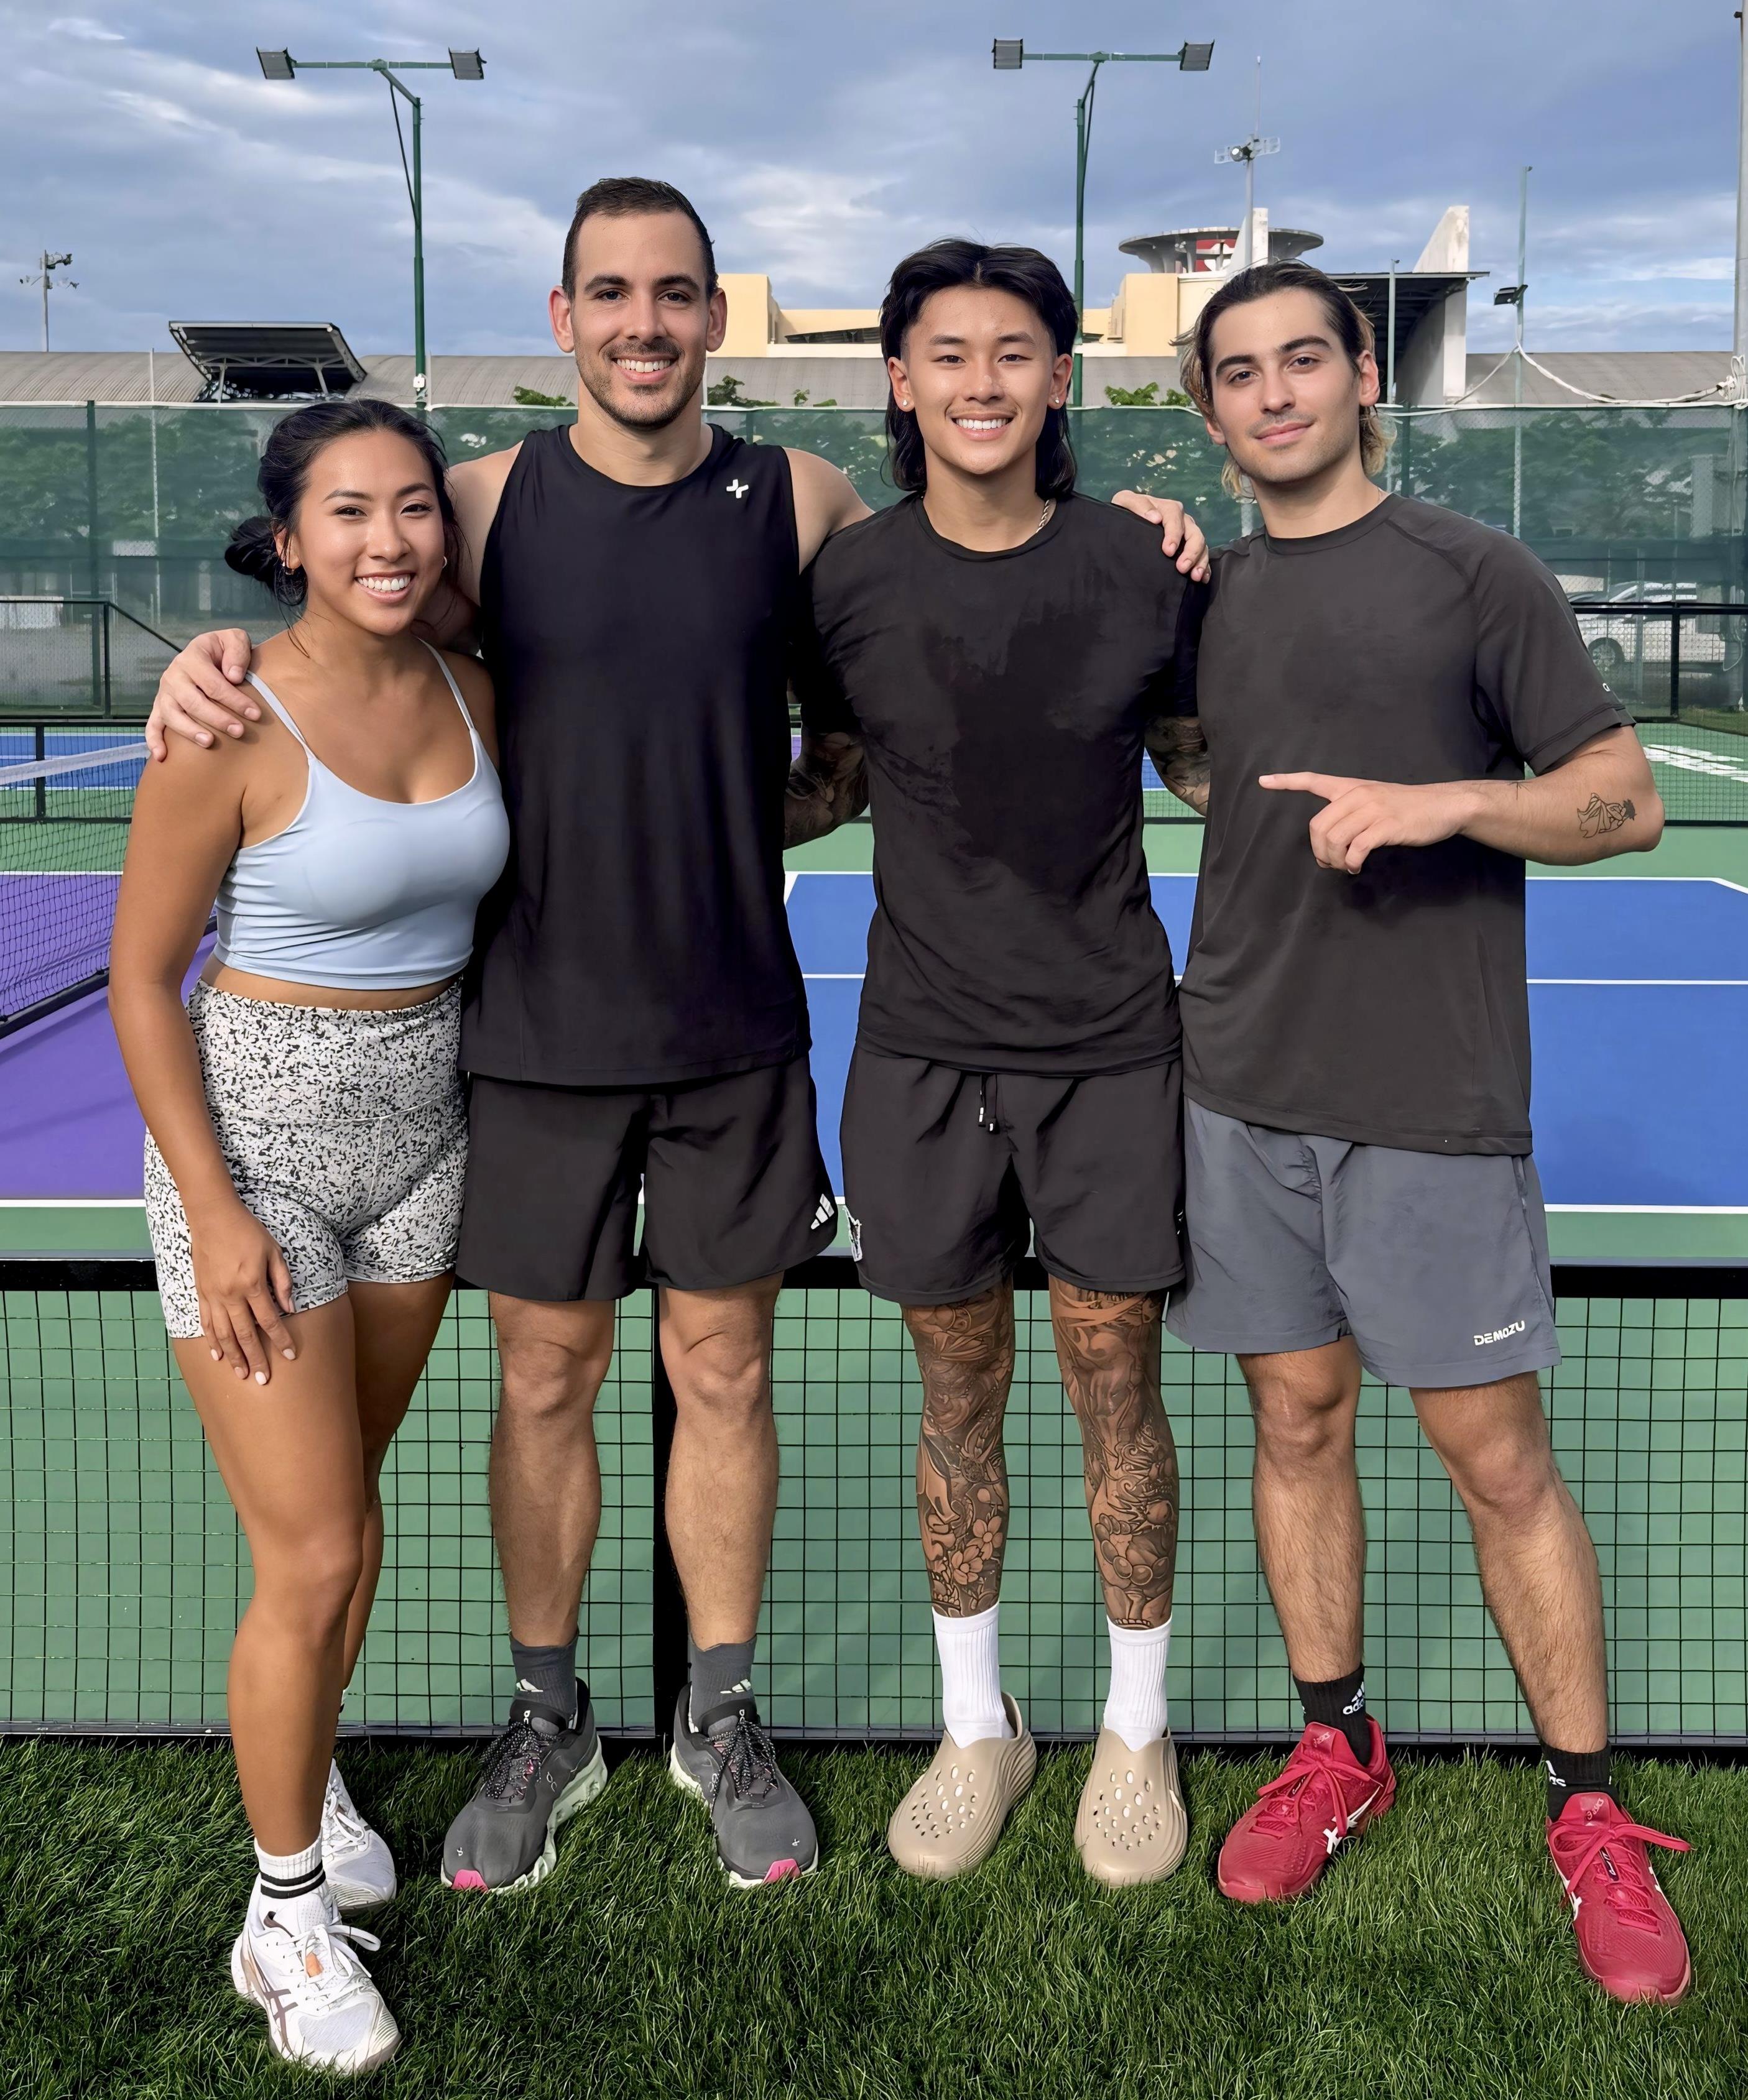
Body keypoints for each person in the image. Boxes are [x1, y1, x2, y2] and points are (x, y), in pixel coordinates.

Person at [144, 175, 1220, 1892]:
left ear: (716, 317)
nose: (643, 324)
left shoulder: (801, 503)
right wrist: (219, 661)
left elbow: (893, 680)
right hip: (533, 1034)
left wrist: (1142, 523)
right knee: (544, 1379)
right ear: (563, 317)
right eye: (610, 294)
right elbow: (350, 602)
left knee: (725, 1374)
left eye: (674, 294)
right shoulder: (481, 503)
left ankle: (720, 1716)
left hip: (737, 1033)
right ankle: (548, 1716)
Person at [1122, 259, 1691, 2004]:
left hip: (1431, 1098)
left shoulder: (1474, 571)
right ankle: (1335, 1744)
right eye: (1238, 372)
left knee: (1495, 1458)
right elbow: (1205, 768)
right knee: (1294, 1420)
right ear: (1209, 412)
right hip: (1235, 1084)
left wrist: (1447, 802)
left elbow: (1624, 802)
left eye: (1303, 359)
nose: (1275, 392)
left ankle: (1587, 1806)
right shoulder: (1198, 595)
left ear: (1361, 375)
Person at [787, 240, 1205, 1885]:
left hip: (1111, 1051)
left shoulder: (1144, 565)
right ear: (899, 381)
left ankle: (1133, 1731)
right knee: (955, 1394)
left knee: (1117, 1387)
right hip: (918, 1059)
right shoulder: (845, 583)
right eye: (947, 353)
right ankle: (980, 1727)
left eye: (1013, 351)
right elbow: (825, 779)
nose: (980, 381)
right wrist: (616, 807)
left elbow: (1214, 769)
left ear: (1058, 379)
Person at [110, 398, 509, 2073]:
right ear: (287, 541)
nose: (388, 539)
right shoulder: (225, 718)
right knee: (318, 1550)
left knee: (351, 1501)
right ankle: (281, 1915)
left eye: (414, 506)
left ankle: (313, 1776)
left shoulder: (477, 687)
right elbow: (143, 979)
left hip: (425, 1139)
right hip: (257, 1145)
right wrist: (214, 1212)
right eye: (347, 512)